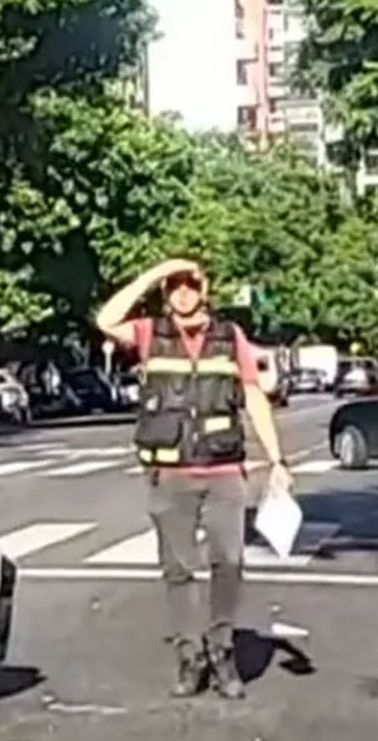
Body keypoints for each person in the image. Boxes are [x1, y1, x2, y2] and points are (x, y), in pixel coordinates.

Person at [94, 257, 295, 699]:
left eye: (191, 284)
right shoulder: (150, 333)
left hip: (223, 471)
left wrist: (277, 460)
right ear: (166, 293)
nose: (183, 293)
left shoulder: (229, 337)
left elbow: (254, 397)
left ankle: (222, 651)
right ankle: (190, 656)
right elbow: (106, 319)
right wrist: (154, 272)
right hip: (170, 473)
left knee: (229, 562)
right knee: (178, 570)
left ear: (206, 290)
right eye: (174, 286)